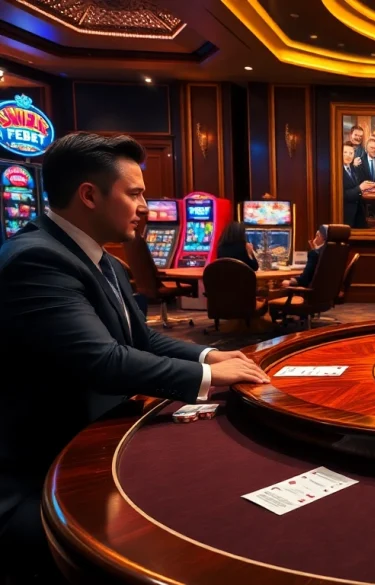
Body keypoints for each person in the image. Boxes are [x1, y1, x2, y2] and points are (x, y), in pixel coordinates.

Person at [0, 133, 270, 583]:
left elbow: (139, 337)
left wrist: (214, 355)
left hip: (88, 434)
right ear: (89, 195)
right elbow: (103, 361)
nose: (147, 206)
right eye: (136, 193)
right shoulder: (38, 260)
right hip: (42, 471)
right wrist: (205, 377)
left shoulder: (95, 255)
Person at [341, 141, 367, 229]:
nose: (348, 155)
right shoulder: (336, 171)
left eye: (351, 153)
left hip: (358, 211)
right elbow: (342, 195)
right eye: (345, 152)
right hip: (345, 213)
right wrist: (360, 188)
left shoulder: (352, 168)